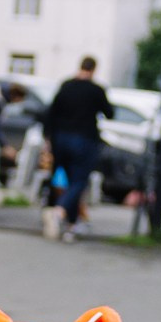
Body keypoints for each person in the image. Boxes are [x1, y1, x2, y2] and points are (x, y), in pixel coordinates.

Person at [39, 54, 116, 242]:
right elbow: (109, 113)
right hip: (84, 139)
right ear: (94, 69)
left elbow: (51, 112)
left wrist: (47, 138)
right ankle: (59, 212)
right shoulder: (96, 90)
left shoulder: (66, 86)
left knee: (64, 181)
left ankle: (71, 225)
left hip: (60, 139)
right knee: (78, 181)